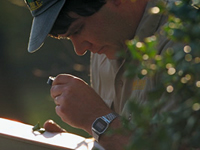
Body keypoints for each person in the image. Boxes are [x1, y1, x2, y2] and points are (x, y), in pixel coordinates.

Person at [24, 0, 174, 149]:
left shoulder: (185, 42)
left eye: (78, 29)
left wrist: (97, 119)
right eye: (69, 37)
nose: (80, 49)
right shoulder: (103, 52)